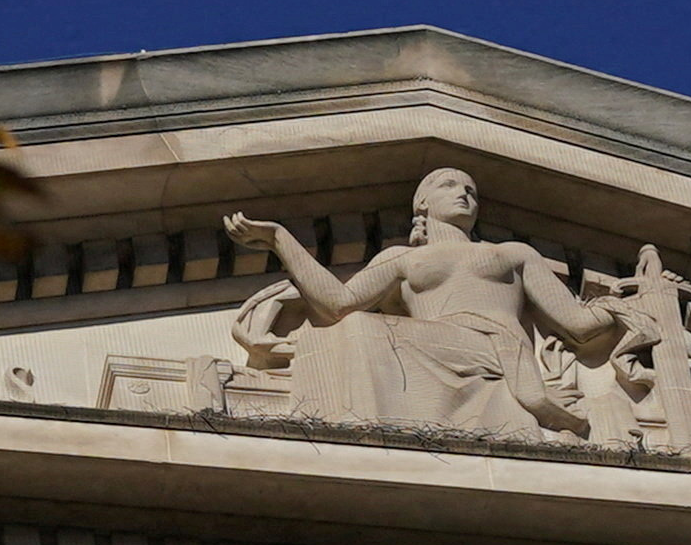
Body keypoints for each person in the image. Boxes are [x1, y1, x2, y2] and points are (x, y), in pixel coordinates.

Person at [219, 170, 627, 439]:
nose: (464, 194)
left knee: (363, 329)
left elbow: (578, 323)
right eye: (449, 185)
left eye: (471, 190)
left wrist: (629, 303)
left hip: (493, 347)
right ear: (423, 204)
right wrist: (279, 240)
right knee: (354, 327)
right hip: (434, 343)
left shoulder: (513, 254)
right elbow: (337, 304)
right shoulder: (403, 260)